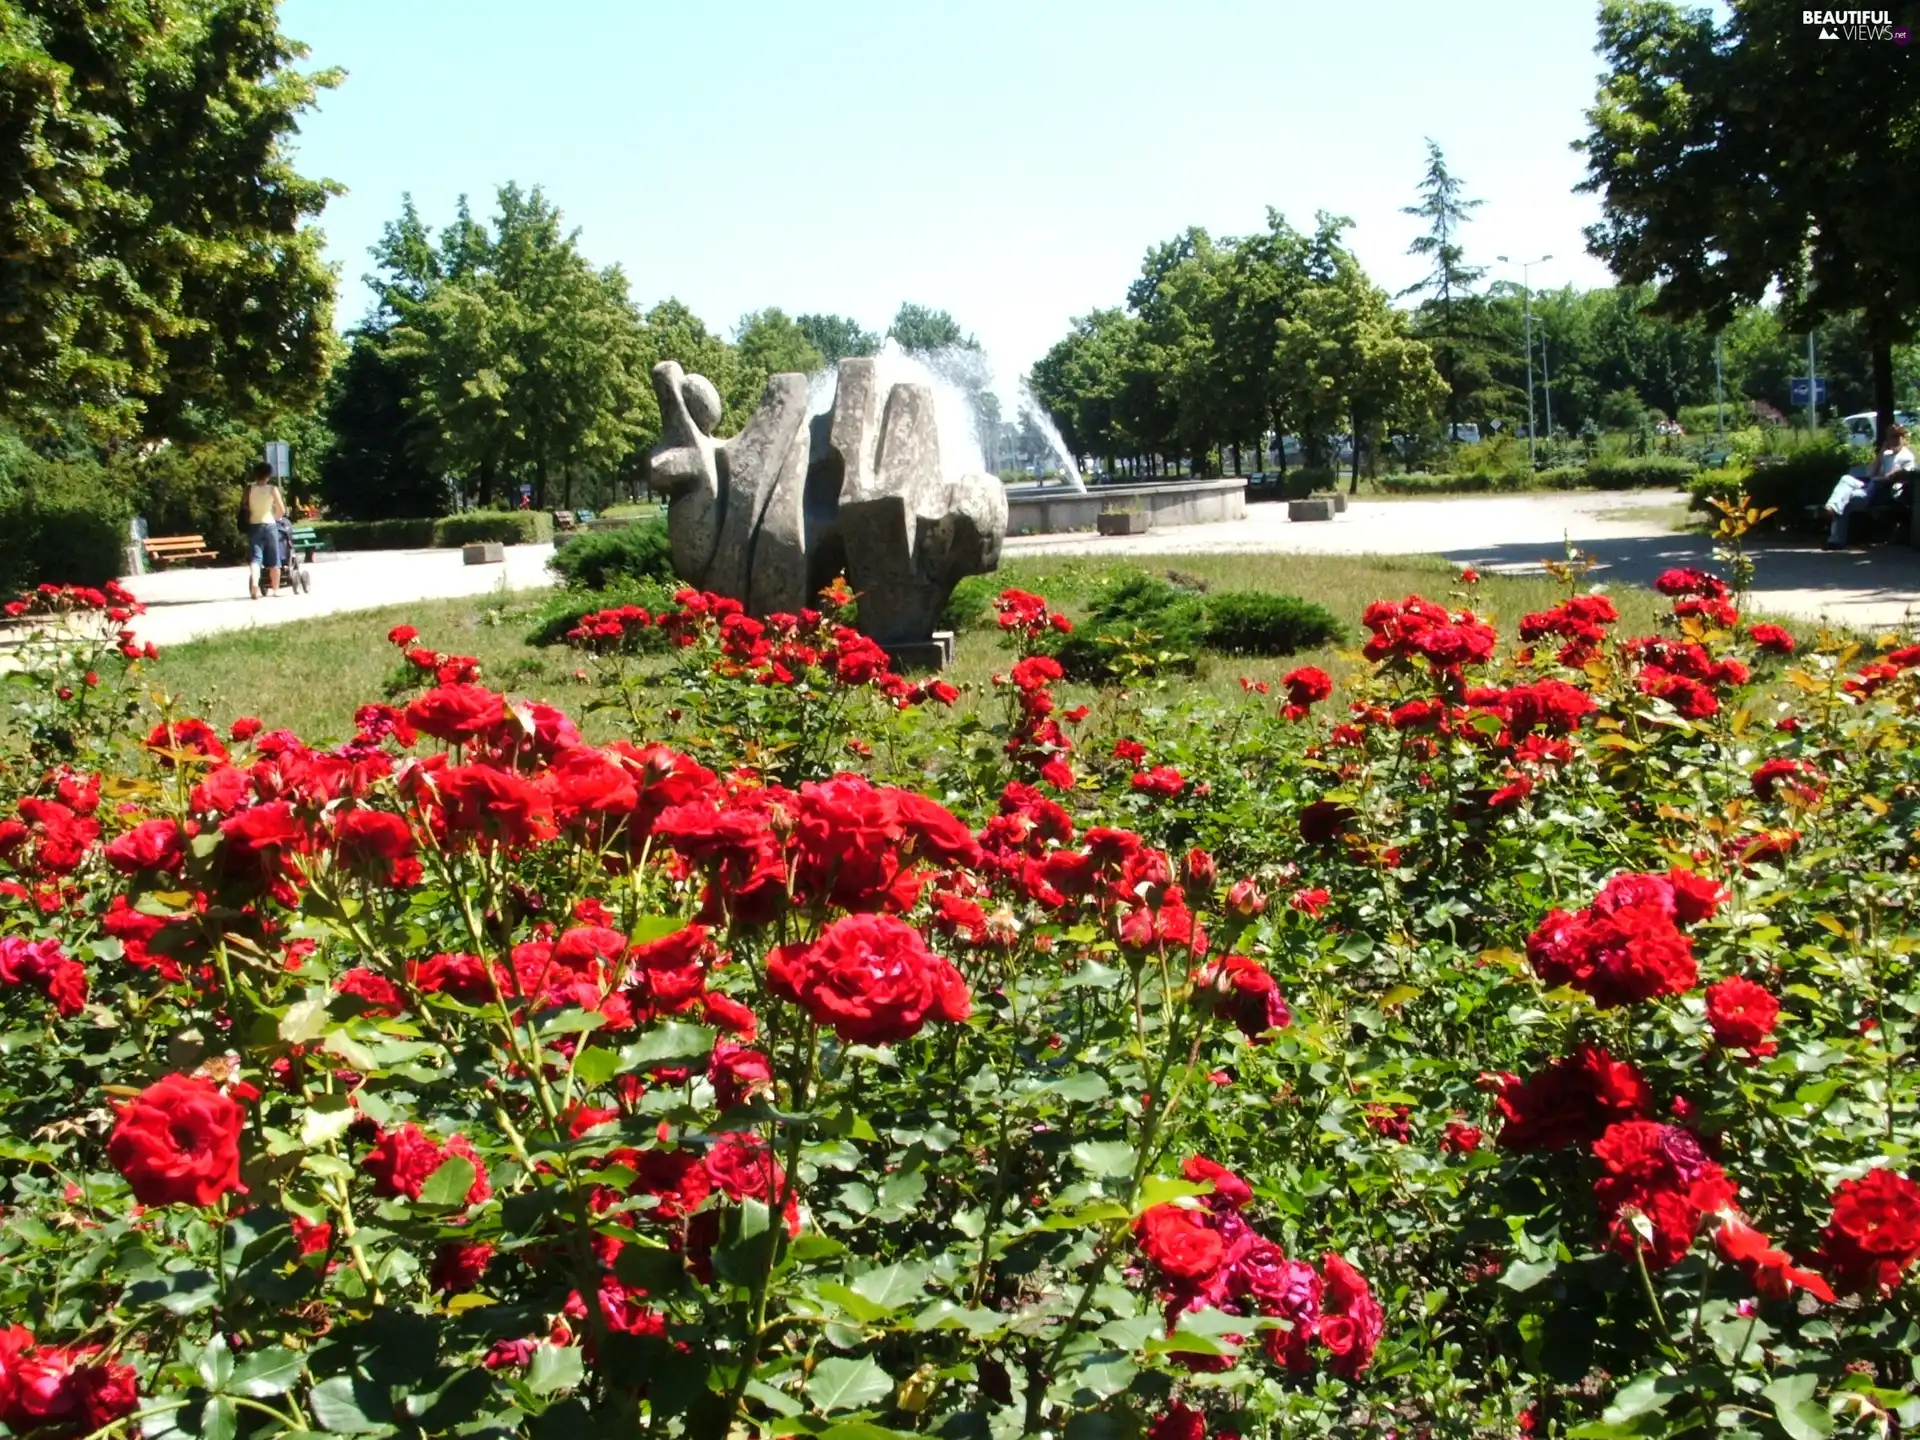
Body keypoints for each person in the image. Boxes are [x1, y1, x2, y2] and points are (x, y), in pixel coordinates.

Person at [1825, 423, 1914, 548]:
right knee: (1845, 480)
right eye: (1890, 437)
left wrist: (1879, 478)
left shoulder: (1906, 457)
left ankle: (1835, 541)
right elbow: (1870, 473)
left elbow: (1894, 478)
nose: (1894, 440)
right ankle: (1832, 507)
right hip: (1871, 484)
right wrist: (1881, 453)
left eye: (1897, 436)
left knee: (1845, 499)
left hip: (1884, 491)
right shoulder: (1887, 454)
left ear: (1903, 438)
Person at [243, 460, 286, 597]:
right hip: (270, 524)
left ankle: (255, 583)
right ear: (268, 475)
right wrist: (277, 517)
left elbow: (244, 507)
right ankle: (276, 589)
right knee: (274, 558)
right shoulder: (272, 489)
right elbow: (282, 509)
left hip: (254, 525)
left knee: (256, 558)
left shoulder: (249, 489)